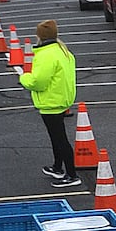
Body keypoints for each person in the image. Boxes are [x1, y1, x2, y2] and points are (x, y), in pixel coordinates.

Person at [21, 20, 81, 189]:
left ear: (40, 36)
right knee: (57, 136)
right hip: (61, 99)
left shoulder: (46, 55)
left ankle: (71, 174)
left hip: (51, 101)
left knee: (59, 138)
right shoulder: (62, 51)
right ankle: (57, 167)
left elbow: (38, 81)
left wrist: (24, 78)